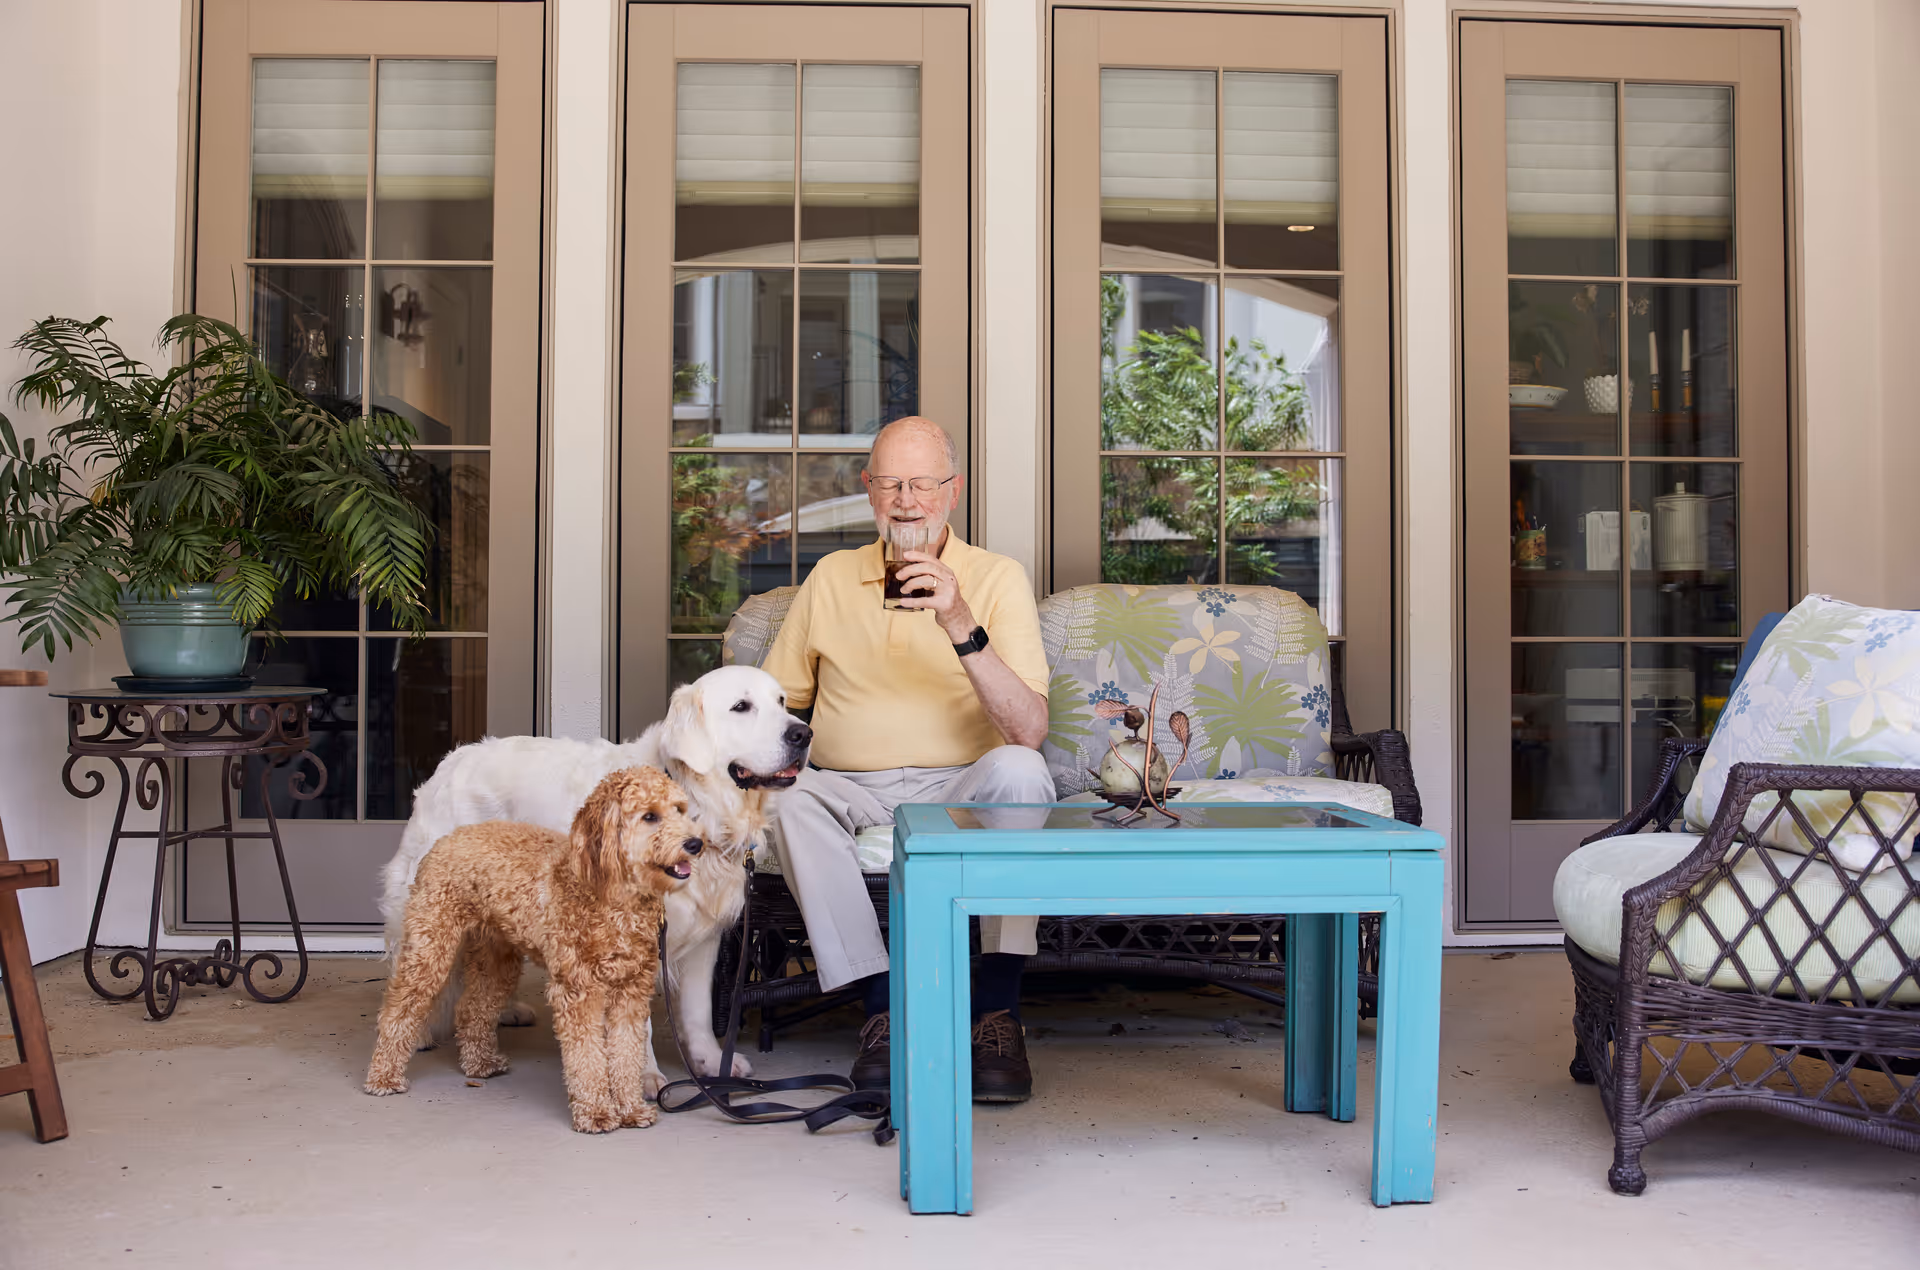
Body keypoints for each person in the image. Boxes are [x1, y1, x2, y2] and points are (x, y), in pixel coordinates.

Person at [762, 416, 1054, 1102]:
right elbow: (778, 704)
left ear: (951, 492)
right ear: (869, 492)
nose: (906, 499)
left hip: (961, 785)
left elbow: (1029, 729)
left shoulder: (998, 577)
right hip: (850, 785)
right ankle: (882, 1011)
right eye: (890, 483)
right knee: (788, 795)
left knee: (1023, 771)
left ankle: (997, 1013)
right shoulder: (832, 578)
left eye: (922, 484)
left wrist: (958, 618)